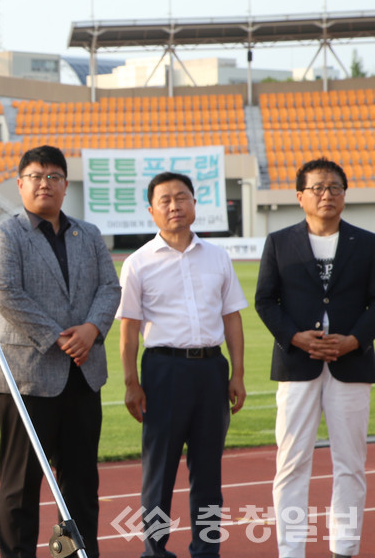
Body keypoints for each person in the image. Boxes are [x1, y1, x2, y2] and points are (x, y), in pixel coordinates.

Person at [0, 145, 120, 558]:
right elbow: (6, 294)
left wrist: (92, 329)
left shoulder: (88, 234)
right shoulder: (5, 234)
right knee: (20, 487)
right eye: (37, 176)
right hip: (27, 379)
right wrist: (62, 338)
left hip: (83, 375)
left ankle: (80, 554)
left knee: (81, 485)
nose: (46, 183)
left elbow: (109, 288)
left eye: (54, 176)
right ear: (21, 184)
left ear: (64, 185)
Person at [116, 171, 246, 558]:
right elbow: (129, 330)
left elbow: (233, 318)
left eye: (182, 197)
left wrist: (237, 373)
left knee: (208, 471)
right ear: (151, 211)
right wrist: (131, 382)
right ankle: (155, 549)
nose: (174, 205)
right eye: (165, 200)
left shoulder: (218, 257)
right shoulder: (139, 263)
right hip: (163, 372)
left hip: (211, 371)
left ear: (194, 203)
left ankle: (206, 549)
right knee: (160, 472)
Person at [254, 158, 375, 558]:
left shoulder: (368, 242)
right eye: (318, 188)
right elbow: (264, 300)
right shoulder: (279, 242)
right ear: (300, 196)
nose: (327, 194)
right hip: (296, 365)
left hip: (351, 365)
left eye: (335, 187)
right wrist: (295, 337)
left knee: (350, 464)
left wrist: (354, 341)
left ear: (345, 194)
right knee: (291, 463)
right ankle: (291, 550)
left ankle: (345, 547)